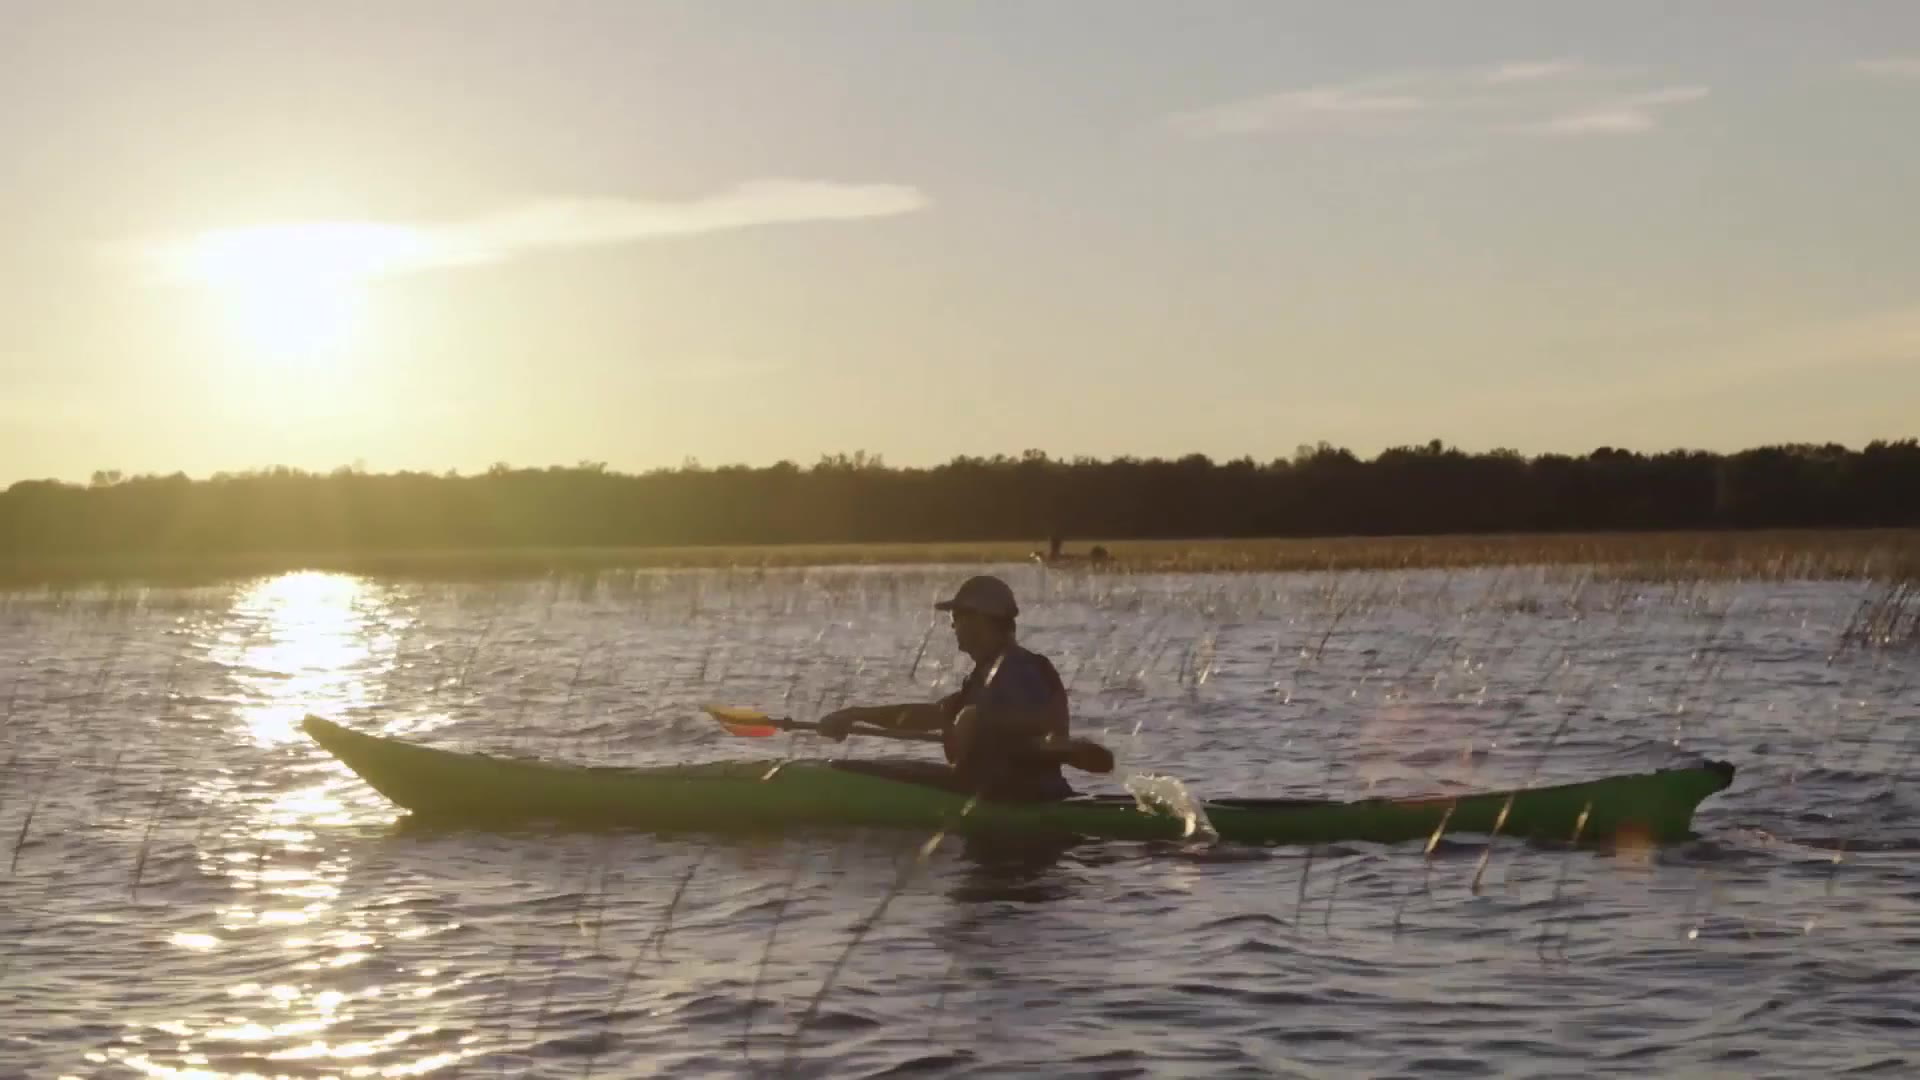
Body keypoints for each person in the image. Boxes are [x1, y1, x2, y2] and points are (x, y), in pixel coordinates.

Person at [817, 574, 1074, 802]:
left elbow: (1044, 724)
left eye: (956, 617)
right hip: (997, 789)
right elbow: (932, 715)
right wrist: (854, 715)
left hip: (1014, 796)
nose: (952, 626)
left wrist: (980, 724)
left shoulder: (1018, 669)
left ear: (979, 619)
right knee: (869, 766)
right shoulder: (987, 672)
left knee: (850, 769)